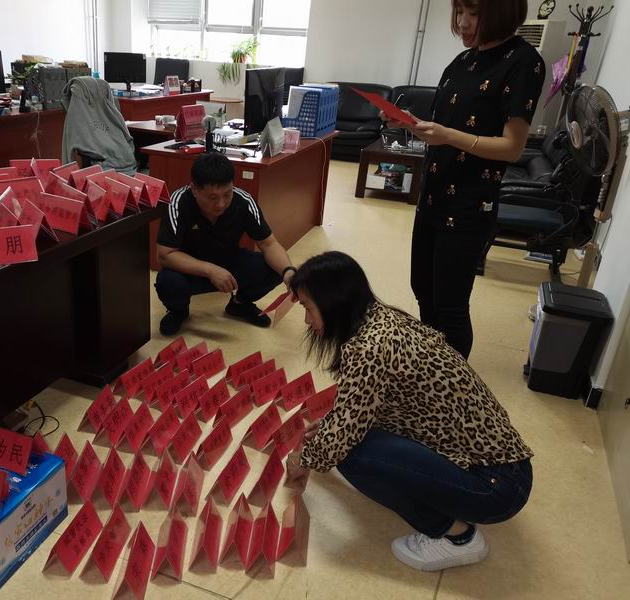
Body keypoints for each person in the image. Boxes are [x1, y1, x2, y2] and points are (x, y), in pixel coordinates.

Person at [284, 251, 534, 572]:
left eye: (308, 308)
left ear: (333, 302)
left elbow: (339, 442)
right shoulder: (383, 318)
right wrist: (334, 423)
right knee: (348, 437)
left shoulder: (368, 349)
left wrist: (304, 459)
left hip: (496, 488)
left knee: (352, 454)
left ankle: (457, 536)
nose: (307, 321)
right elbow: (368, 407)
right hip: (506, 470)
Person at [383, 0, 545, 359]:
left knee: (450, 306)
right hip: (433, 195)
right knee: (423, 291)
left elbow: (512, 147)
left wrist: (448, 136)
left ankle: (453, 384)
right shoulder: (462, 62)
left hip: (469, 205)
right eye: (459, 12)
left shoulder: (523, 61)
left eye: (474, 14)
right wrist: (410, 122)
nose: (463, 23)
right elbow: (447, 127)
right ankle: (432, 366)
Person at [155, 152, 295, 335]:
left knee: (275, 269)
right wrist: (210, 270)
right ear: (194, 189)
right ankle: (179, 310)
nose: (221, 204)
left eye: (227, 194)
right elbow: (165, 255)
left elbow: (269, 244)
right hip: (191, 270)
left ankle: (240, 304)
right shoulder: (178, 202)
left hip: (229, 263)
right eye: (212, 198)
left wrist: (288, 272)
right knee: (168, 282)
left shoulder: (243, 201)